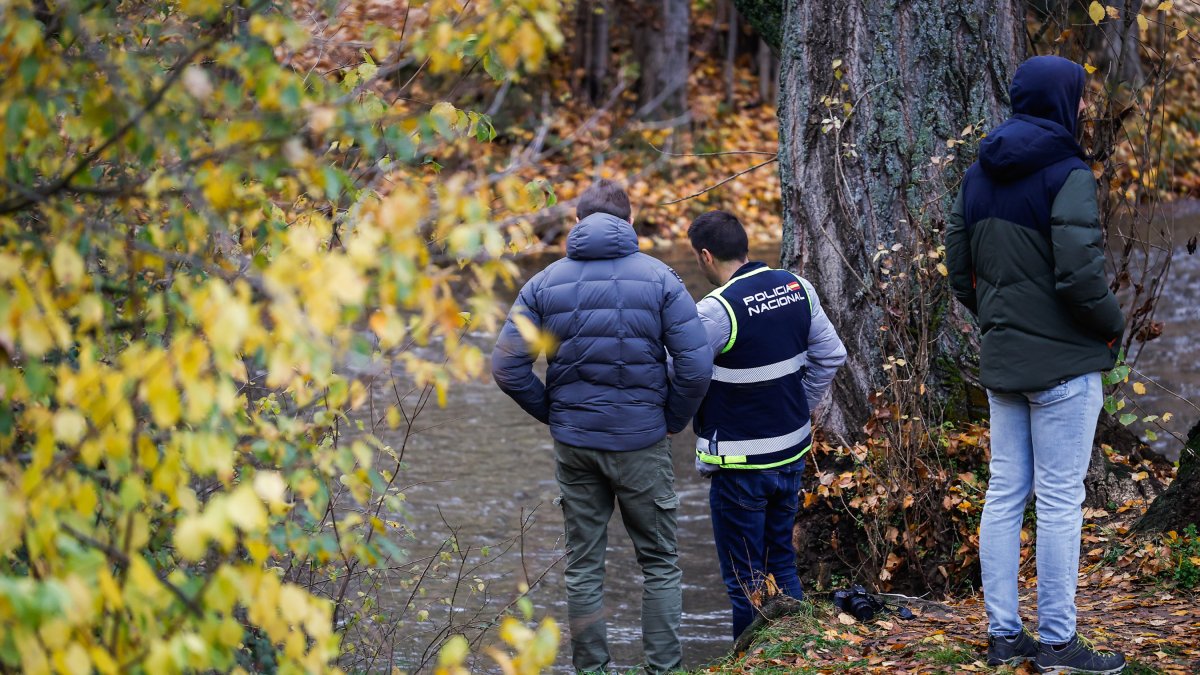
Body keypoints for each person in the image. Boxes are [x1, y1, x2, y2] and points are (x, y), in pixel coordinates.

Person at [946, 55, 1126, 674]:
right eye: (1079, 97)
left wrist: (996, 319)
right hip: (1063, 368)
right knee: (1055, 502)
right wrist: (1112, 325)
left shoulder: (977, 174)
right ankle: (1057, 645)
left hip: (1004, 363)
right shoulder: (1068, 172)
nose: (1084, 108)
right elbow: (1081, 275)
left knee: (1003, 495)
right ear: (1059, 101)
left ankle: (1004, 636)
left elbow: (959, 271)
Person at [491, 179, 713, 673]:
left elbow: (507, 368)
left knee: (584, 567)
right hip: (642, 441)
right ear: (630, 222)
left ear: (576, 223)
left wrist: (556, 414)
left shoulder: (543, 283)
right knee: (658, 563)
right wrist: (671, 420)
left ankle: (592, 671)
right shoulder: (660, 279)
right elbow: (696, 368)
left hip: (575, 444)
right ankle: (664, 670)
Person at [685, 210, 846, 641]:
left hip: (740, 467)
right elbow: (832, 356)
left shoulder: (716, 311)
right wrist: (796, 406)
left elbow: (678, 372)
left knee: (746, 583)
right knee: (783, 566)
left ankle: (750, 665)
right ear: (744, 245)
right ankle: (797, 655)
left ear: (704, 256)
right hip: (791, 453)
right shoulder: (797, 287)